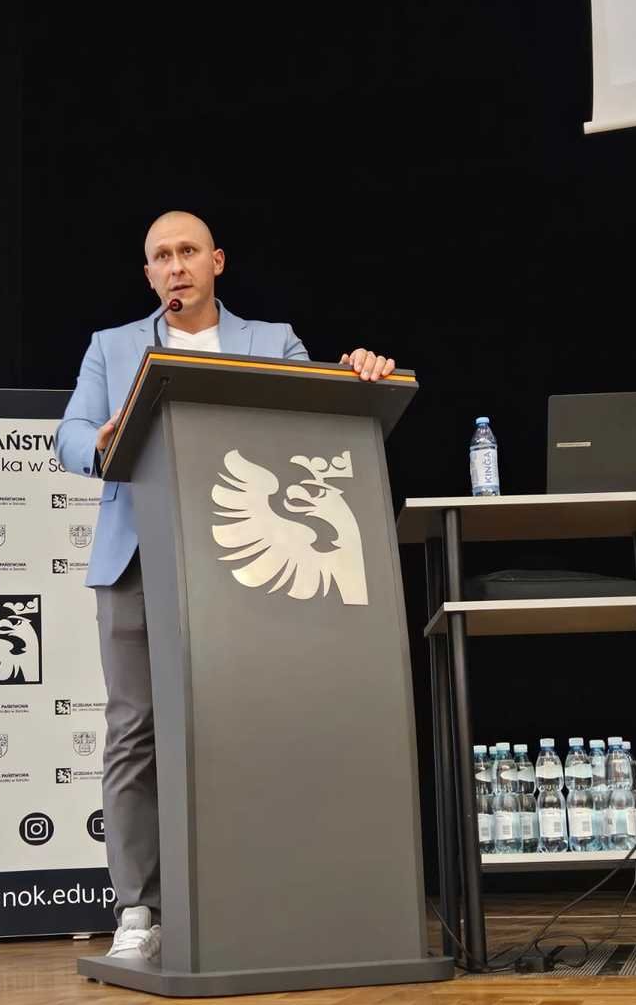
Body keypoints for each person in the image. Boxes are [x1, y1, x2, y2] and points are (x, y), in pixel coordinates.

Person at [55, 211, 398, 960]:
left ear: (217, 261)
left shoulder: (272, 341)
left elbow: (319, 415)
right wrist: (99, 440)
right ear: (149, 274)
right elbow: (69, 434)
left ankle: (264, 894)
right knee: (134, 732)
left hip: (246, 565)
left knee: (254, 723)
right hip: (138, 560)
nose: (175, 266)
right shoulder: (112, 347)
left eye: (187, 251)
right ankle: (139, 912)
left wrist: (359, 371)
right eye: (160, 256)